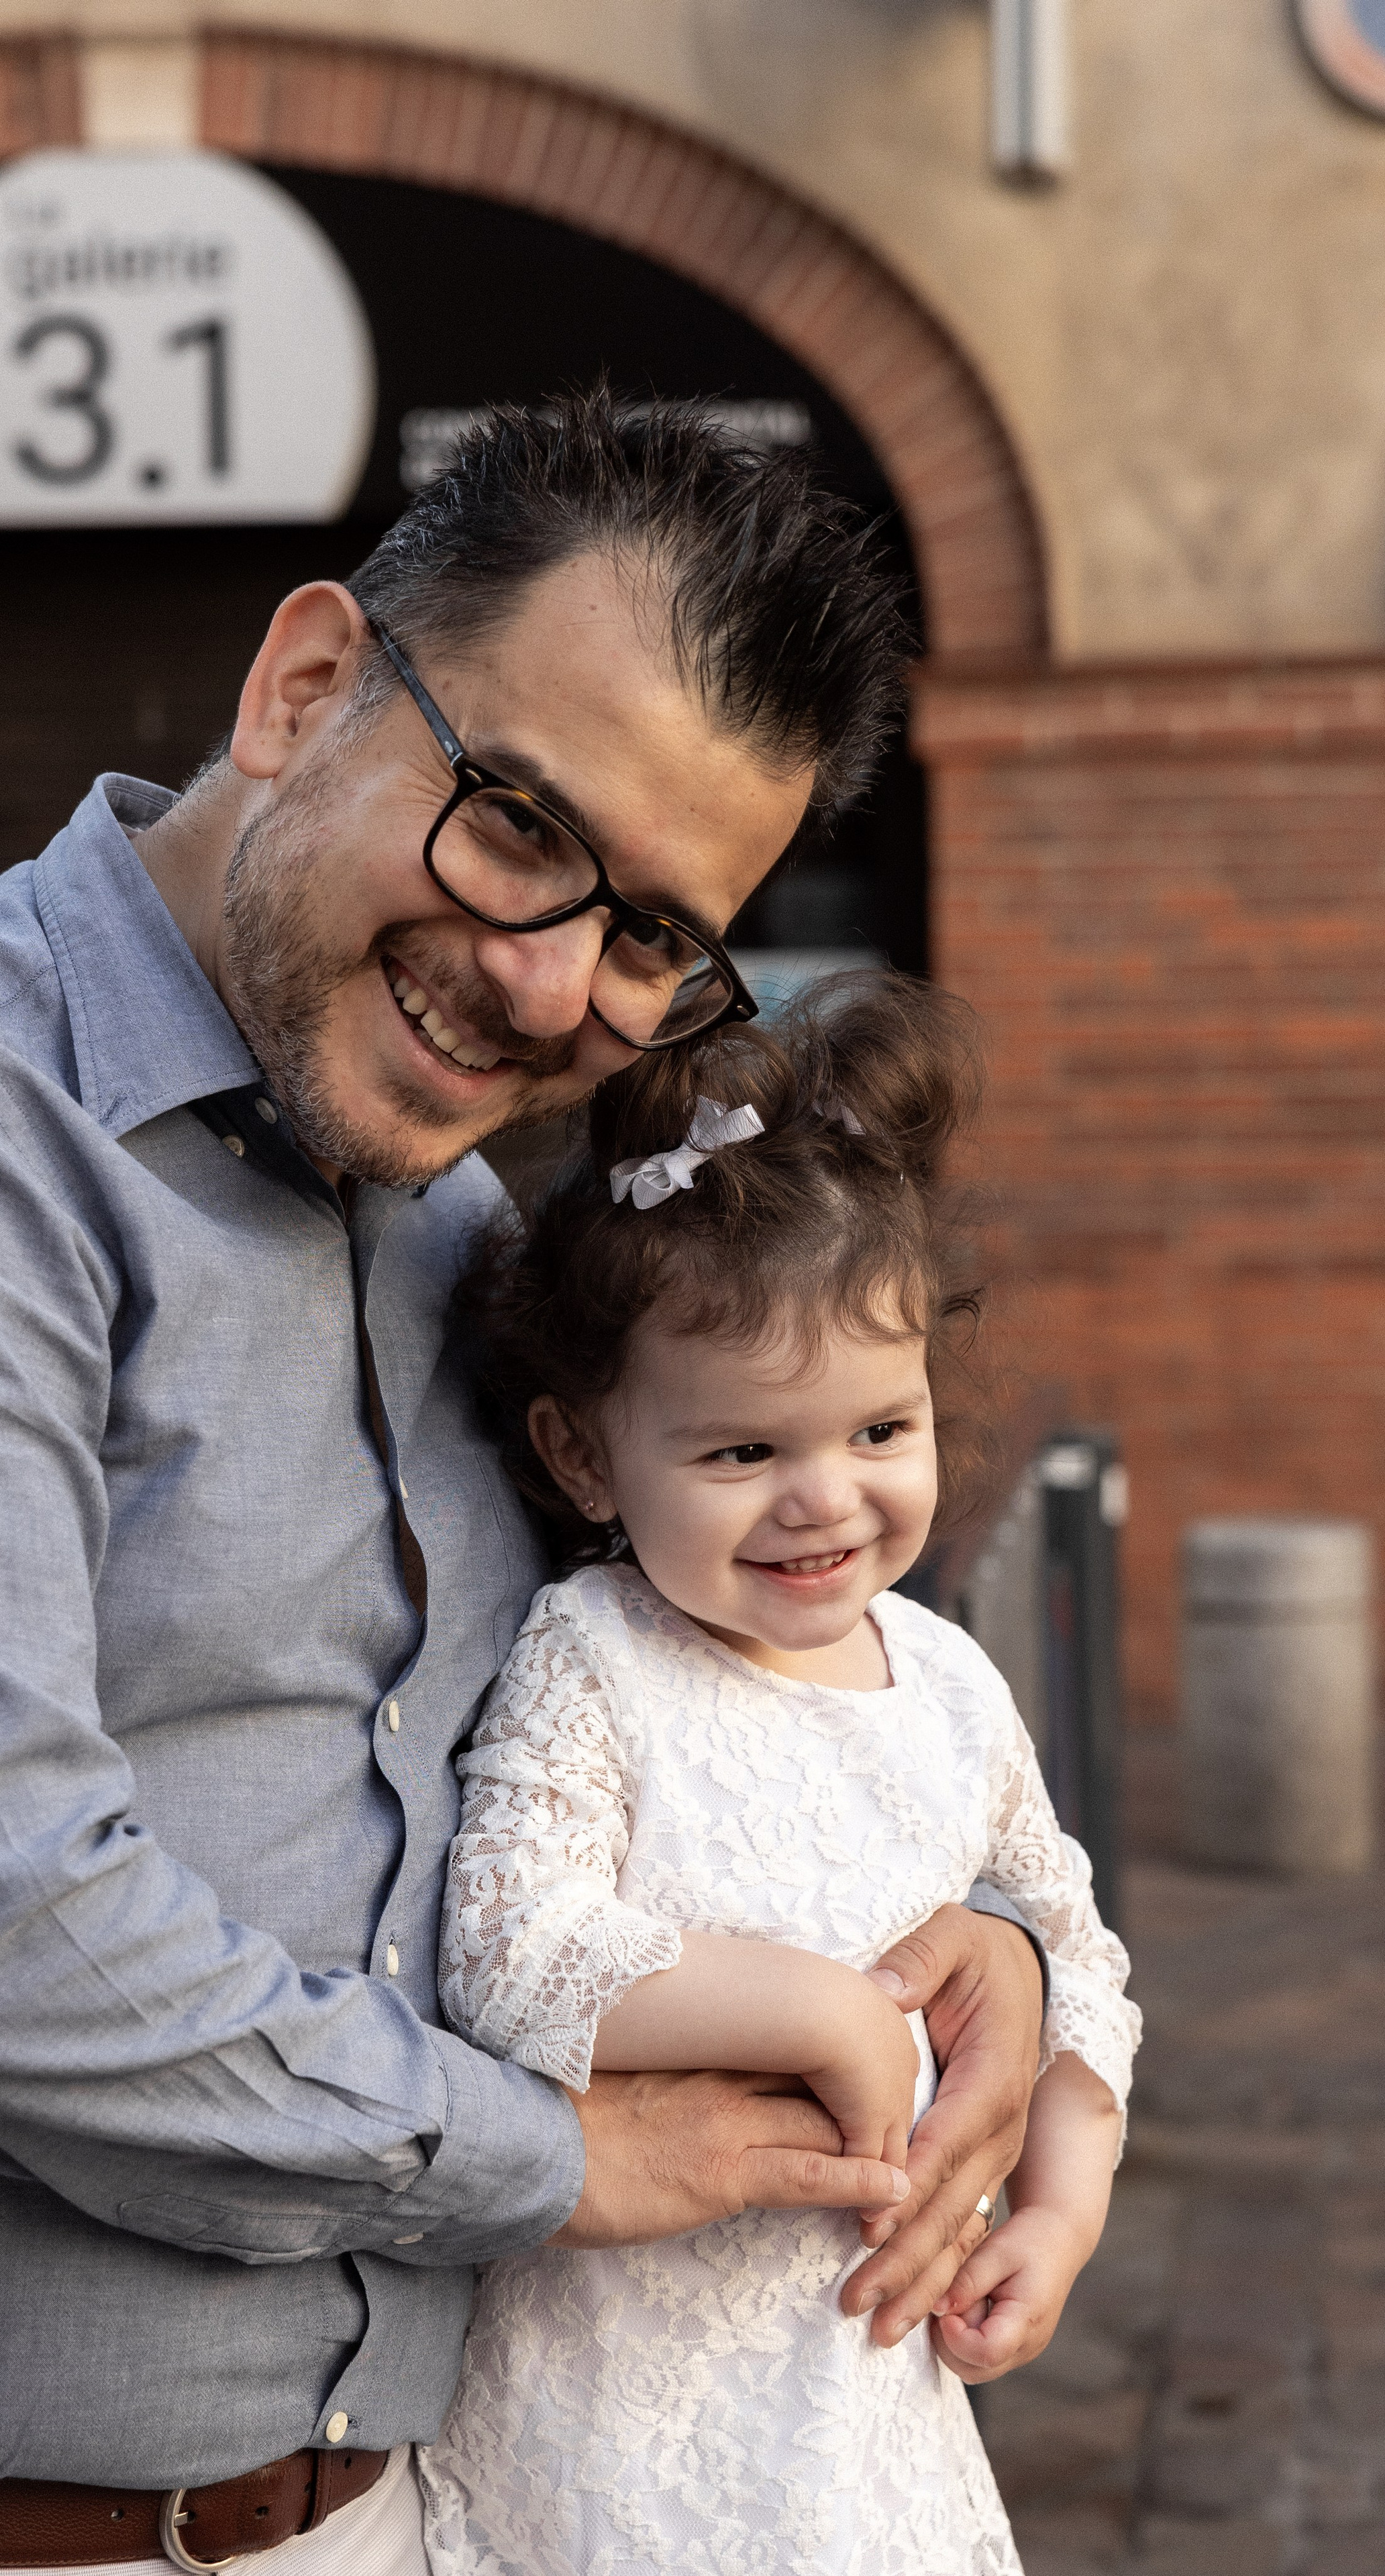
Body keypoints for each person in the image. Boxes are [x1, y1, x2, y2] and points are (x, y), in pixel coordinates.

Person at [0, 395, 1045, 2576]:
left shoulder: (471, 1249)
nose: (549, 983)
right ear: (307, 684)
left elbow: (701, 1710)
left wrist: (1011, 1969)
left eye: (655, 939)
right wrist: (574, 2157)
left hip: (404, 2518)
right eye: (515, 825)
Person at [417, 974, 1141, 2572]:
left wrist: (1058, 2209)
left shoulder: (942, 1679)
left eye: (877, 1431)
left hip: (860, 2419)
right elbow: (507, 1954)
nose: (823, 1501)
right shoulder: (591, 1658)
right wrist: (818, 2009)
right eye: (741, 1453)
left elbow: (1069, 1950)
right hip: (611, 2414)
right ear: (581, 1454)